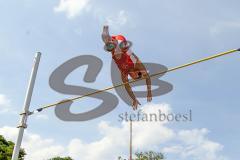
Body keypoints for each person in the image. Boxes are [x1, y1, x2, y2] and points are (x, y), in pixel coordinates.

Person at [102, 25, 152, 110]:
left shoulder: (124, 74)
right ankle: (114, 43)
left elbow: (128, 87)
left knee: (106, 40)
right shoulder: (137, 64)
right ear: (137, 72)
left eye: (133, 77)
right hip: (122, 44)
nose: (133, 76)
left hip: (114, 48)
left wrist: (134, 99)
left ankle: (108, 37)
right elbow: (147, 77)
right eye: (137, 75)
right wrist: (149, 92)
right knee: (121, 51)